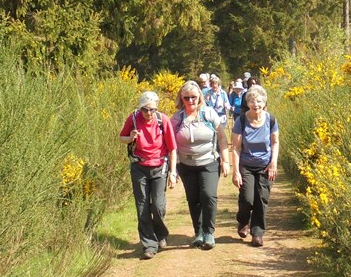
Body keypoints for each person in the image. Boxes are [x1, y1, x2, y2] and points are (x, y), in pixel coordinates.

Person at [172, 80, 231, 249]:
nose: (191, 100)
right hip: (186, 165)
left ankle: (209, 232)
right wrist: (172, 168)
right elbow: (168, 142)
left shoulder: (209, 114)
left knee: (208, 195)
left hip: (209, 162)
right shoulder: (177, 118)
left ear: (200, 97)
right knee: (193, 198)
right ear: (181, 99)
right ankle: (198, 233)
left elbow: (221, 137)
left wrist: (225, 161)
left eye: (194, 97)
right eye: (187, 98)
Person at [119, 91, 178, 260]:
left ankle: (161, 235)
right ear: (140, 108)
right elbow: (121, 138)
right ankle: (149, 245)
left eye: (152, 109)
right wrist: (130, 138)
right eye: (145, 110)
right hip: (139, 166)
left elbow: (172, 148)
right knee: (142, 206)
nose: (149, 113)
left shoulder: (162, 120)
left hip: (159, 166)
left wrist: (173, 173)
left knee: (158, 206)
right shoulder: (133, 119)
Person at [231, 85, 279, 247]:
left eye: (259, 101)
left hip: (265, 165)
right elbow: (236, 148)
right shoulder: (241, 120)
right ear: (248, 103)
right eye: (252, 101)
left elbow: (275, 143)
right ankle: (243, 221)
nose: (256, 104)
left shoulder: (271, 120)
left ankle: (257, 233)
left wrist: (273, 163)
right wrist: (235, 171)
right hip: (246, 165)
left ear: (264, 103)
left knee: (261, 199)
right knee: (247, 198)